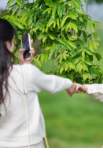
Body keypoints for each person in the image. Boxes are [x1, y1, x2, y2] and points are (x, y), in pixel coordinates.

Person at [0, 19, 76, 148]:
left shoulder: (20, 73)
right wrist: (70, 85)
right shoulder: (25, 73)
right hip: (28, 144)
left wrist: (23, 66)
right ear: (7, 44)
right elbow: (52, 83)